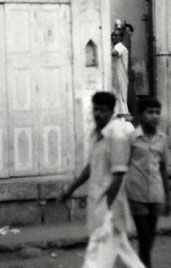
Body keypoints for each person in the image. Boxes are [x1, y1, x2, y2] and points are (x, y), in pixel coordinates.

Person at [59, 92, 144, 268]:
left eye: (103, 110)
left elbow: (118, 176)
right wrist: (70, 190)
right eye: (96, 109)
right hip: (99, 203)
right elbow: (91, 167)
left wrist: (107, 210)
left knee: (95, 259)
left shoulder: (117, 136)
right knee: (125, 254)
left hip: (110, 207)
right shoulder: (98, 136)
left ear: (112, 111)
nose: (98, 114)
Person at [126, 97, 171, 268]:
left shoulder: (162, 139)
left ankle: (140, 263)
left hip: (156, 194)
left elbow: (163, 168)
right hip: (136, 194)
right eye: (150, 112)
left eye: (157, 112)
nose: (154, 116)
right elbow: (123, 166)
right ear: (140, 115)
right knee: (144, 236)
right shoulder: (131, 138)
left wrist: (168, 198)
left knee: (149, 238)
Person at [112, 29, 131, 120]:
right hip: (115, 78)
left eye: (116, 36)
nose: (113, 37)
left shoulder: (120, 48)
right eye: (112, 35)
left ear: (121, 38)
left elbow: (115, 53)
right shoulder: (115, 47)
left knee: (120, 99)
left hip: (120, 78)